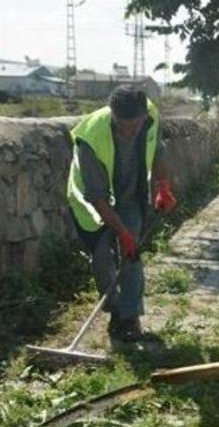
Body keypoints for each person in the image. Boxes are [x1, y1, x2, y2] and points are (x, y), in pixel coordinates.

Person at [66, 85, 177, 342]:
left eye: (135, 127)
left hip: (129, 196)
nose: (128, 133)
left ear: (143, 117)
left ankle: (130, 317)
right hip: (91, 201)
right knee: (103, 258)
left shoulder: (150, 116)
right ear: (112, 115)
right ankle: (114, 310)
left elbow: (158, 150)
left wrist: (163, 186)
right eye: (122, 127)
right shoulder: (91, 138)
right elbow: (97, 197)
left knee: (132, 256)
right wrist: (121, 233)